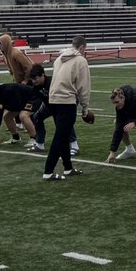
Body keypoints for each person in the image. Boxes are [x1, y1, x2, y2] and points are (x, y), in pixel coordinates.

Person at [43, 36, 93, 180]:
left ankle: (68, 168)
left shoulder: (59, 58)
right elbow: (84, 86)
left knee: (63, 135)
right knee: (60, 137)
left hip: (53, 99)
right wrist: (85, 107)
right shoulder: (80, 60)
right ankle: (48, 171)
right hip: (66, 101)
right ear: (82, 47)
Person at [25, 63, 52, 153]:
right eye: (32, 79)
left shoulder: (52, 82)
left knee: (63, 121)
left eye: (36, 78)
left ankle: (74, 145)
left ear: (42, 75)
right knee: (36, 117)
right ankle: (40, 144)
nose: (34, 81)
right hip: (47, 104)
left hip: (61, 103)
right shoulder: (35, 87)